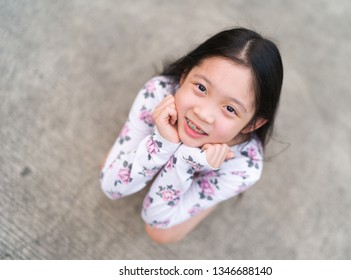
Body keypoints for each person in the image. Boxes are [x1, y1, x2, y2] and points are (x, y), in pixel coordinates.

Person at [100, 27, 283, 244]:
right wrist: (162, 143)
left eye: (230, 109)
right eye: (201, 88)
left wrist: (185, 160)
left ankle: (208, 197)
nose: (203, 114)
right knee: (112, 171)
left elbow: (155, 218)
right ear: (185, 75)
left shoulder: (244, 167)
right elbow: (111, 187)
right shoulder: (158, 93)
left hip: (203, 172)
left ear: (253, 123)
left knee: (160, 233)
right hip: (158, 144)